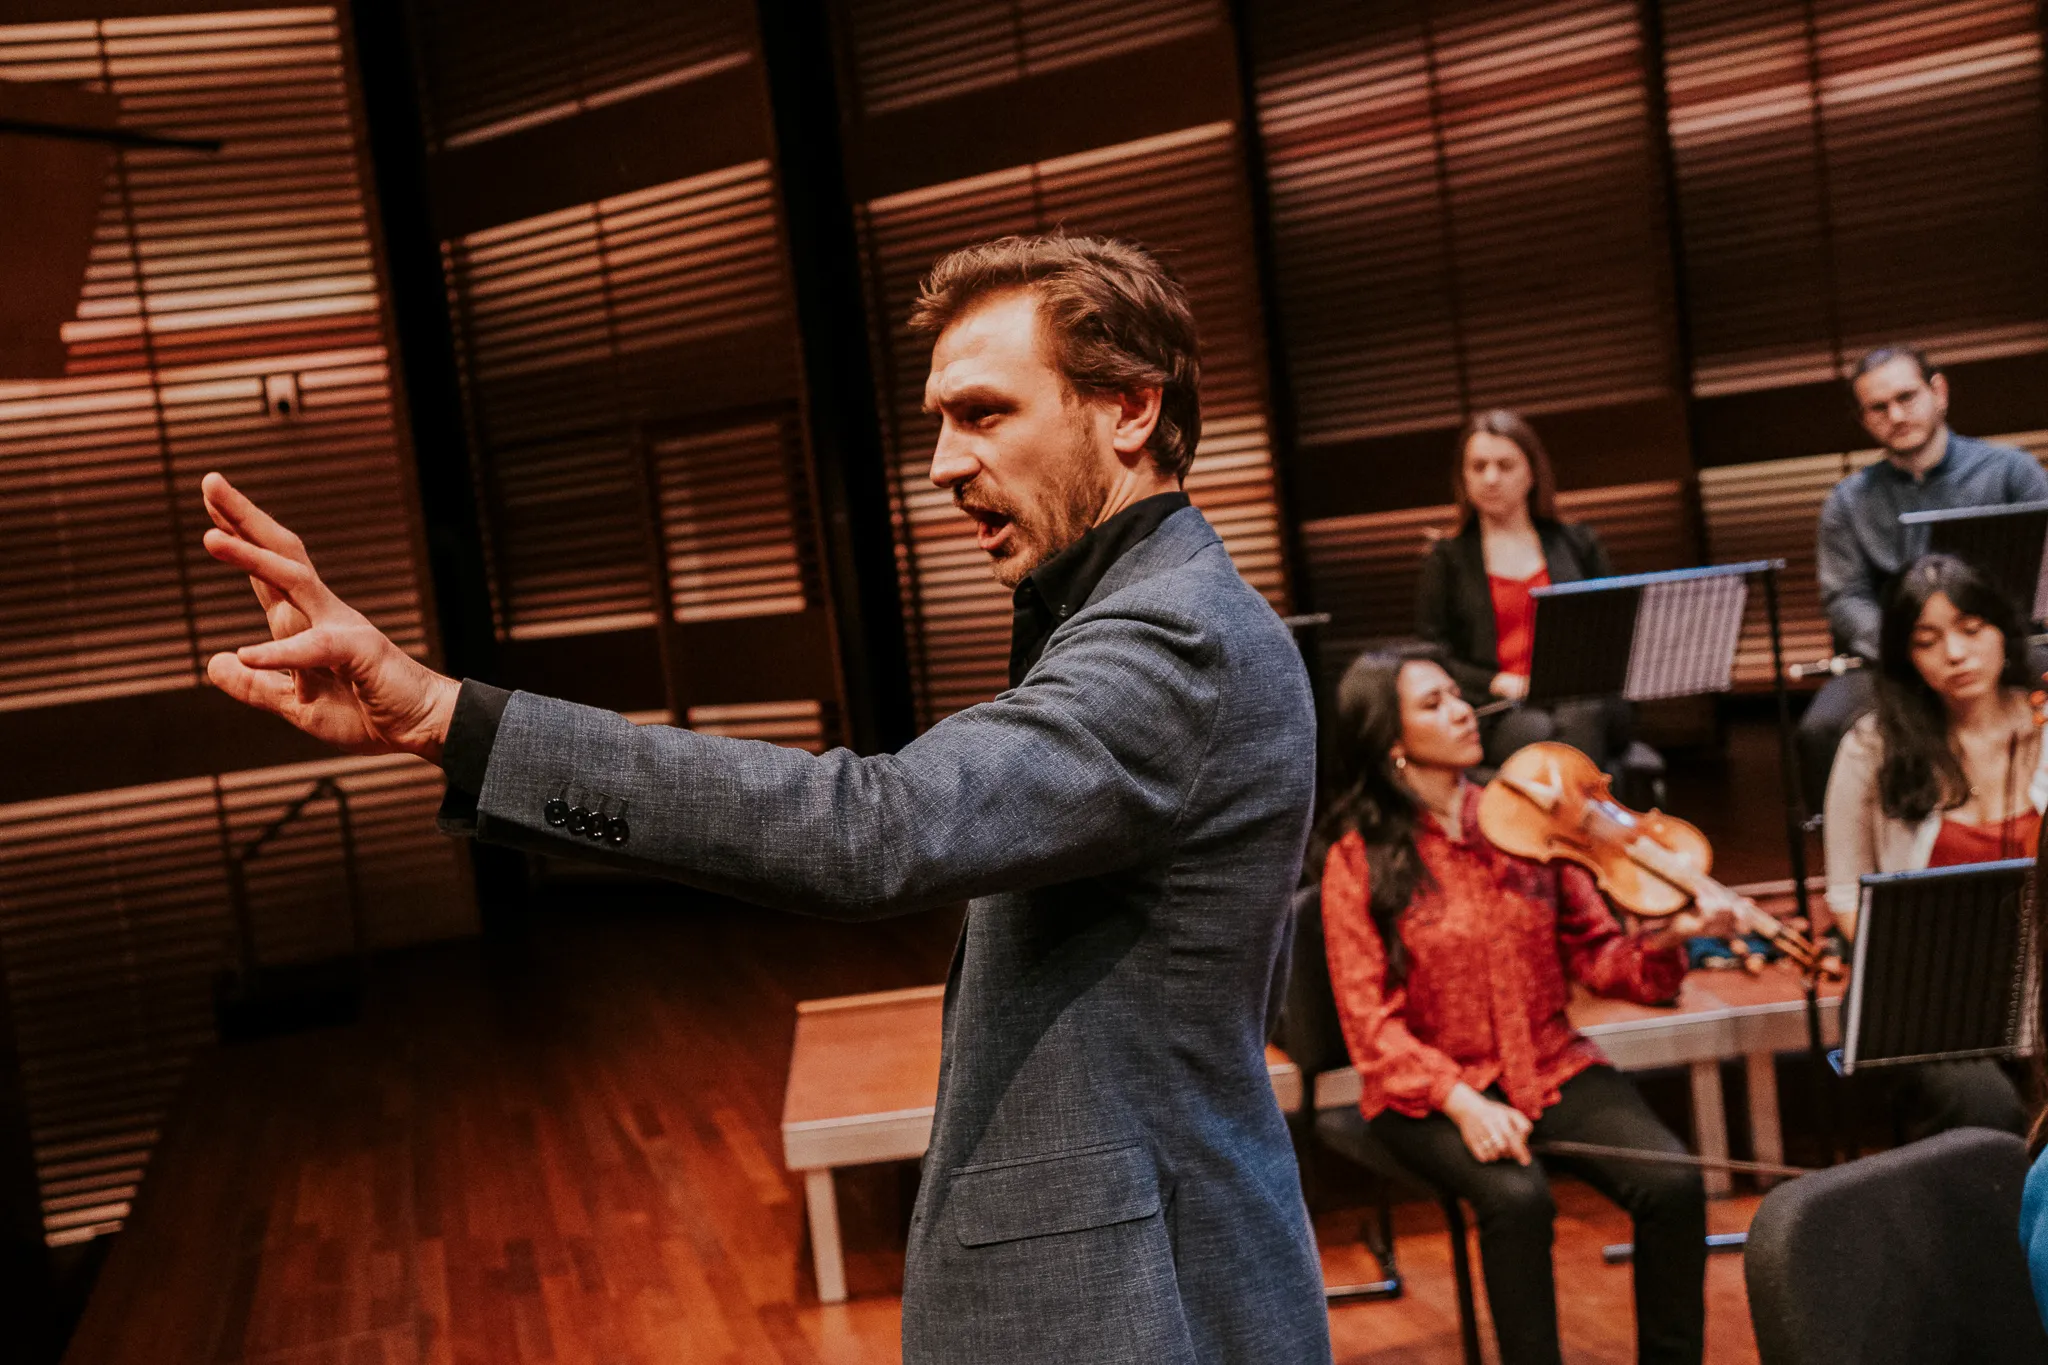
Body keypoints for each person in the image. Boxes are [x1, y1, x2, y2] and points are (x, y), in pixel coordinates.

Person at [196, 235, 1332, 1365]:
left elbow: (870, 831)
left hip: (1139, 1307)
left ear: (1129, 411)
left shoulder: (1170, 638)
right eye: (938, 419)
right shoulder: (1144, 617)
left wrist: (448, 718)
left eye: (982, 413)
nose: (939, 463)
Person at [1316, 646, 1743, 1365]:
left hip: (1548, 1062)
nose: (1461, 710)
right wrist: (1465, 1102)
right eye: (1434, 703)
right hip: (1431, 1091)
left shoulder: (1530, 825)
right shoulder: (1356, 859)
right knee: (1518, 1200)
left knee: (1672, 1182)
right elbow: (1371, 1024)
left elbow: (1601, 958)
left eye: (1458, 694)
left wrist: (1671, 933)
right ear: (1392, 739)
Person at [1821, 553, 2037, 1139]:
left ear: (2002, 631)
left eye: (1972, 630)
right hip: (1924, 995)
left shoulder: (2045, 725)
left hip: (2038, 982)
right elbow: (1846, 898)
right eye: (1928, 640)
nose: (1956, 655)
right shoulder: (1872, 747)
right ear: (1906, 656)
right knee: (1985, 1112)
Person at [1799, 345, 2048, 802]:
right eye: (1878, 407)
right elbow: (1845, 598)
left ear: (1939, 392)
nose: (1896, 414)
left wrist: (1993, 643)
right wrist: (1911, 652)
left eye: (1906, 397)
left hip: (2011, 647)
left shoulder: (2013, 471)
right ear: (1864, 421)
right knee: (1822, 726)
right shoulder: (1847, 502)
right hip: (1898, 660)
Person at [1416, 409, 1625, 769]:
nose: (1491, 478)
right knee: (1538, 732)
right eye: (1478, 467)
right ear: (1463, 477)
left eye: (1504, 465)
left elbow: (1613, 630)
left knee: (1580, 716)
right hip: (1500, 704)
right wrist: (1497, 681)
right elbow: (1433, 652)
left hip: (1583, 696)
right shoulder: (1447, 558)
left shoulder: (1577, 543)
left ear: (1532, 472)